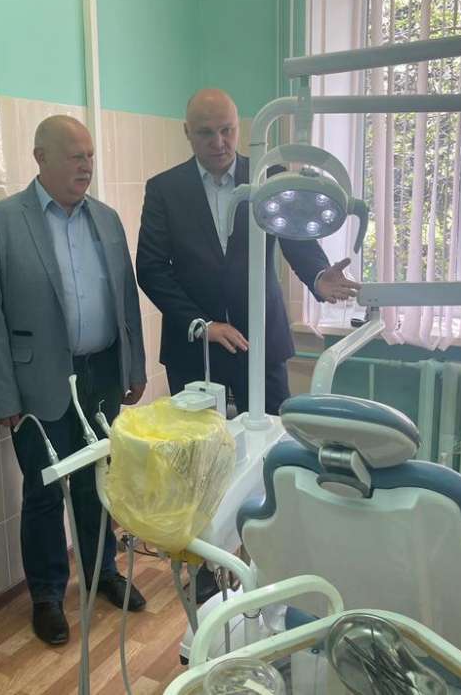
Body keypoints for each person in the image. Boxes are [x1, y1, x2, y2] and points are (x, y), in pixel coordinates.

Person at [136, 88, 360, 600]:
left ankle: (280, 556)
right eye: (206, 132)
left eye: (228, 130)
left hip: (262, 339)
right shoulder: (165, 189)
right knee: (198, 461)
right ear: (186, 133)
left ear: (240, 127)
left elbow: (297, 238)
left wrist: (319, 277)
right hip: (197, 346)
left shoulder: (267, 177)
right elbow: (150, 268)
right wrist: (202, 324)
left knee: (281, 446)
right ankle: (206, 570)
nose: (219, 142)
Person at [0, 115, 148, 646]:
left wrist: (135, 367)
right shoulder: (1, 223)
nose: (86, 165)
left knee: (99, 481)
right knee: (45, 488)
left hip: (101, 373)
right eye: (75, 156)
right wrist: (2, 394)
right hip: (37, 382)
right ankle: (47, 595)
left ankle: (103, 573)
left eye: (90, 155)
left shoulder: (107, 220)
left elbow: (126, 300)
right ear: (40, 157)